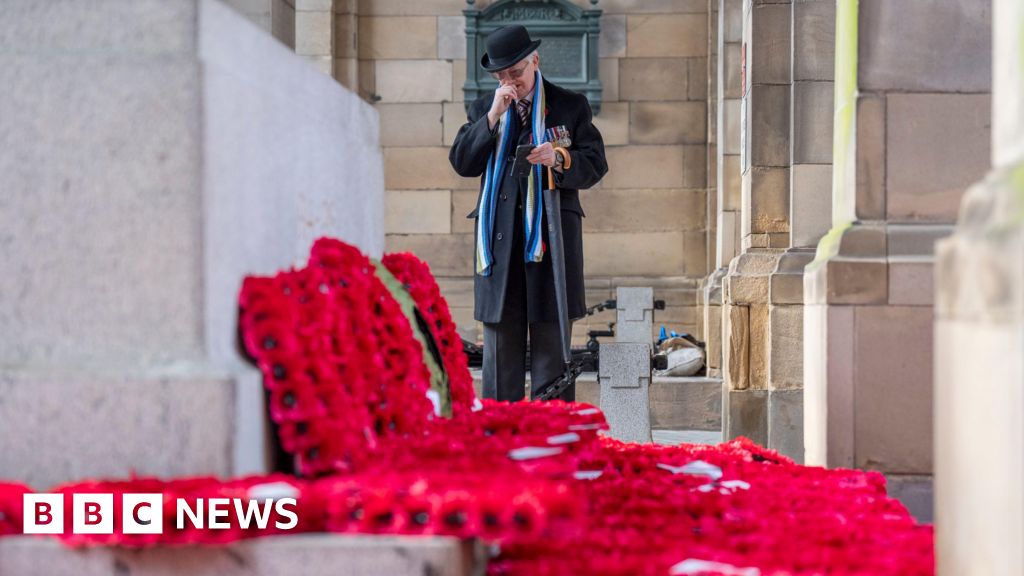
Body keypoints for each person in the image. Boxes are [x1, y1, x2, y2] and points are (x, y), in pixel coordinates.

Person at [449, 24, 608, 402]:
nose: (510, 83)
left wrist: (559, 158)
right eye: (501, 76)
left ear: (534, 61)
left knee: (552, 348)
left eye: (516, 73)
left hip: (551, 241)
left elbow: (596, 163)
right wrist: (491, 118)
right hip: (499, 248)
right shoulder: (483, 109)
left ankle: (551, 438)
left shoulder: (570, 104)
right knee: (500, 351)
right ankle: (500, 439)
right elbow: (463, 163)